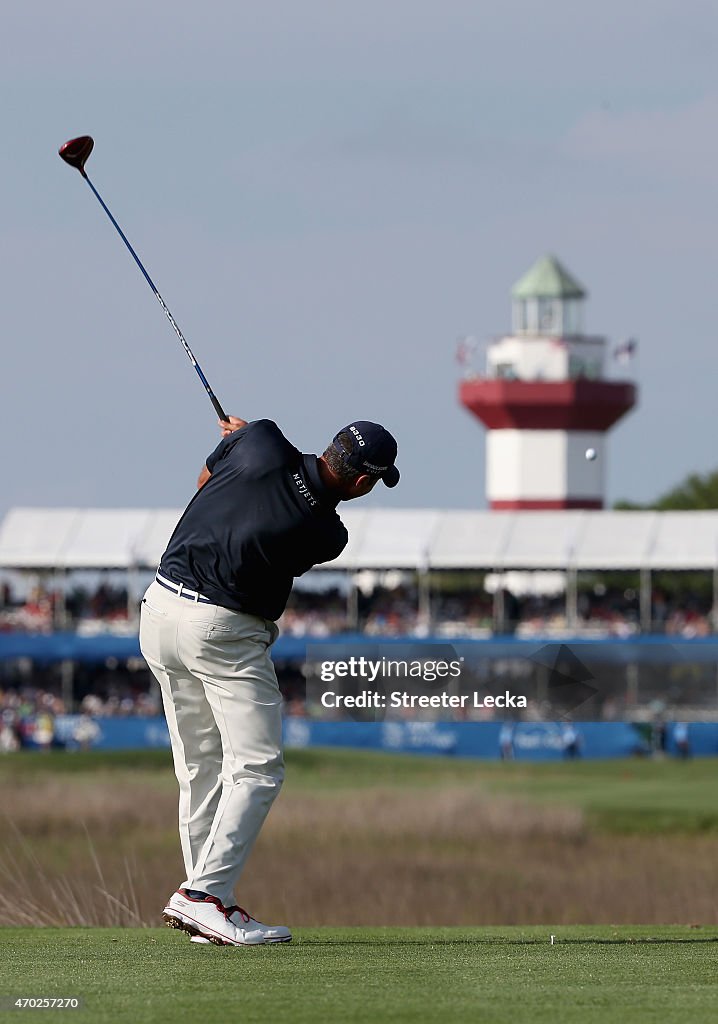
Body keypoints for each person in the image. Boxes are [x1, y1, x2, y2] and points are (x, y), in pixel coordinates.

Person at [139, 416, 399, 947]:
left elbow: (208, 485)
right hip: (222, 629)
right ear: (363, 482)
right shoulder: (328, 533)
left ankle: (206, 903)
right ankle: (202, 897)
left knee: (199, 767)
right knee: (256, 767)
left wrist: (237, 441)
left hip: (158, 610)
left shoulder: (261, 437)